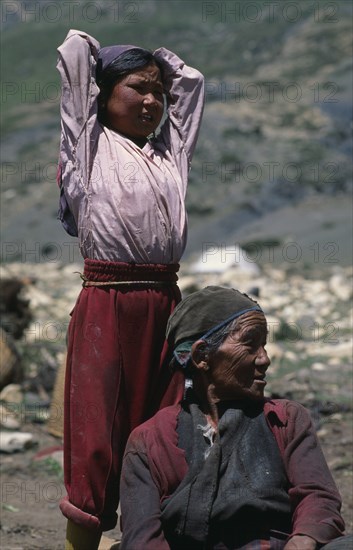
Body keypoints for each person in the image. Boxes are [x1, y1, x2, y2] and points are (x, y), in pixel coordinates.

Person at [56, 29, 204, 549]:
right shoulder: (88, 147)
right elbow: (75, 55)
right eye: (138, 88)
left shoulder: (170, 155)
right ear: (102, 95)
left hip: (167, 305)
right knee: (96, 440)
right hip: (108, 304)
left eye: (157, 93)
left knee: (167, 429)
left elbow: (191, 85)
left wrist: (163, 69)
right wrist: (107, 61)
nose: (152, 101)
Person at [120, 286, 351, 550]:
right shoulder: (149, 441)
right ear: (202, 356)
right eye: (250, 343)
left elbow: (317, 497)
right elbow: (142, 538)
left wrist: (302, 540)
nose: (265, 359)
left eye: (264, 345)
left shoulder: (286, 419)